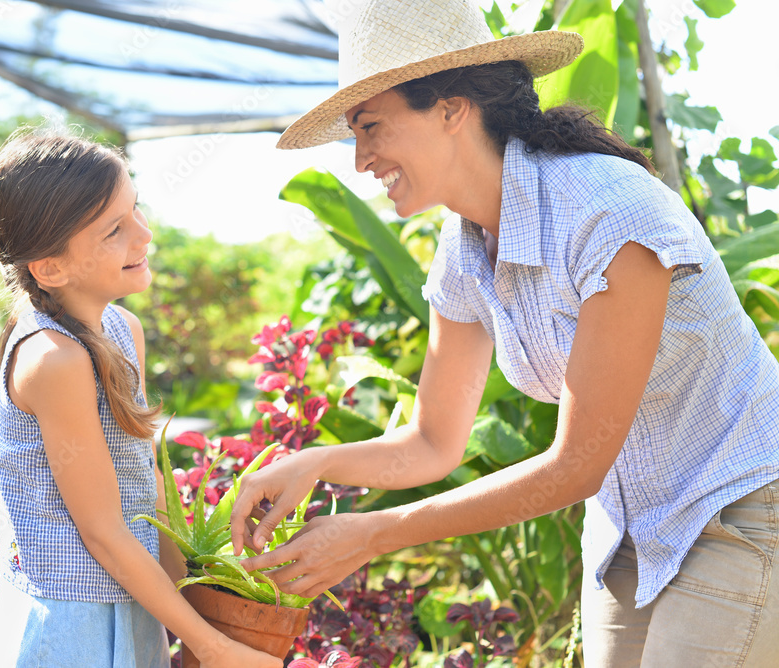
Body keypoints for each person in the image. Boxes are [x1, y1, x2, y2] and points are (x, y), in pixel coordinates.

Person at [230, 0, 779, 666]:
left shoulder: (607, 212)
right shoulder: (464, 250)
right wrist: (315, 462)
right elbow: (434, 439)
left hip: (741, 505)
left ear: (451, 109)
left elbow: (577, 465)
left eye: (371, 127)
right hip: (627, 529)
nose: (360, 160)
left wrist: (372, 534)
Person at [0, 129, 281, 668]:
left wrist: (192, 606)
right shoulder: (54, 360)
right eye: (114, 230)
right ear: (50, 267)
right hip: (71, 620)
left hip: (135, 598)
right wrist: (212, 647)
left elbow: (146, 485)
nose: (144, 235)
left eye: (135, 209)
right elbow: (102, 529)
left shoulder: (122, 329)